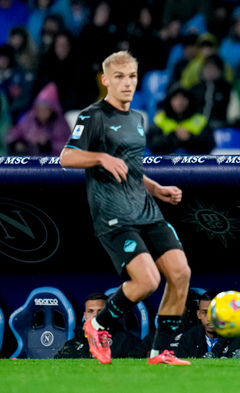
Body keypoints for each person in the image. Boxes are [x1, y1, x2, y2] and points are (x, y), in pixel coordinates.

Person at [59, 51, 192, 366]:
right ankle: (98, 325)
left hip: (146, 209)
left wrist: (156, 188)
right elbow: (66, 157)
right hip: (112, 213)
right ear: (106, 80)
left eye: (132, 76)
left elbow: (131, 168)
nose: (127, 83)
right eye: (119, 77)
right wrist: (100, 157)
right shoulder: (93, 116)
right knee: (147, 281)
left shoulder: (138, 118)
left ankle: (160, 352)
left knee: (180, 273)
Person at [169, 289, 240, 358]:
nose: (210, 318)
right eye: (205, 313)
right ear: (199, 314)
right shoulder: (188, 337)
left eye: (214, 312)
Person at [54, 292, 140, 359]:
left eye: (101, 311)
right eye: (90, 311)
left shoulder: (125, 341)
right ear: (85, 316)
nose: (95, 315)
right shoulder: (73, 344)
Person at [146, 83, 215, 155]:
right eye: (176, 99)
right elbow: (153, 146)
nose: (180, 102)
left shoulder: (200, 121)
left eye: (183, 98)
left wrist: (190, 138)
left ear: (190, 101)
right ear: (169, 101)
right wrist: (174, 136)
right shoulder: (159, 121)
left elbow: (208, 146)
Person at [5, 82, 70, 156]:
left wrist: (47, 145)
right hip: (28, 162)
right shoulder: (29, 120)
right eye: (39, 109)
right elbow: (12, 135)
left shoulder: (60, 125)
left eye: (45, 109)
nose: (42, 113)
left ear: (52, 110)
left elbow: (66, 148)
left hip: (52, 165)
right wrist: (20, 143)